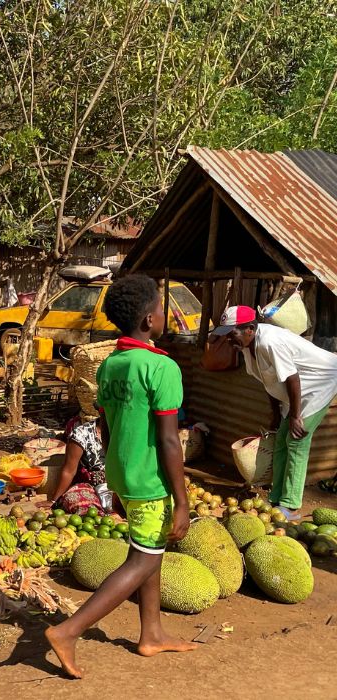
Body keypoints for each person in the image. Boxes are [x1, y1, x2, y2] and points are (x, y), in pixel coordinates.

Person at [46, 274, 195, 679]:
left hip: (120, 474)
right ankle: (68, 630)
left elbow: (106, 425)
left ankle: (152, 634)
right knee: (142, 559)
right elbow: (169, 441)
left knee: (151, 553)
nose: (165, 316)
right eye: (162, 310)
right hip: (150, 480)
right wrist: (182, 502)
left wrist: (112, 481)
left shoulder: (111, 364)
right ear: (149, 320)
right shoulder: (161, 367)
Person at [216, 305, 337, 517]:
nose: (228, 339)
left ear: (250, 329)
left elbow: (292, 377)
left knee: (297, 441)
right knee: (281, 440)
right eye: (225, 335)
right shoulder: (246, 347)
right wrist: (276, 413)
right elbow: (268, 382)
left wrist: (296, 416)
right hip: (295, 393)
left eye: (231, 333)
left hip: (319, 383)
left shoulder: (269, 342)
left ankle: (290, 505)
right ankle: (276, 497)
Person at [44, 413, 112, 514]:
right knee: (84, 507)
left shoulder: (126, 433)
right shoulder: (81, 434)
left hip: (117, 486)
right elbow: (68, 471)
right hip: (89, 488)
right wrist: (53, 501)